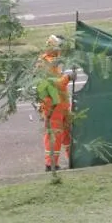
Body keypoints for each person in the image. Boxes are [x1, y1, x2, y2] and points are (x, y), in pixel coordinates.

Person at [38, 34, 72, 172]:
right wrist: (68, 77)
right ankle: (50, 165)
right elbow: (55, 84)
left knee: (68, 134)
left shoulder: (53, 62)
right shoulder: (46, 63)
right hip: (52, 105)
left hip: (61, 104)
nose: (62, 51)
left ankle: (73, 159)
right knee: (54, 135)